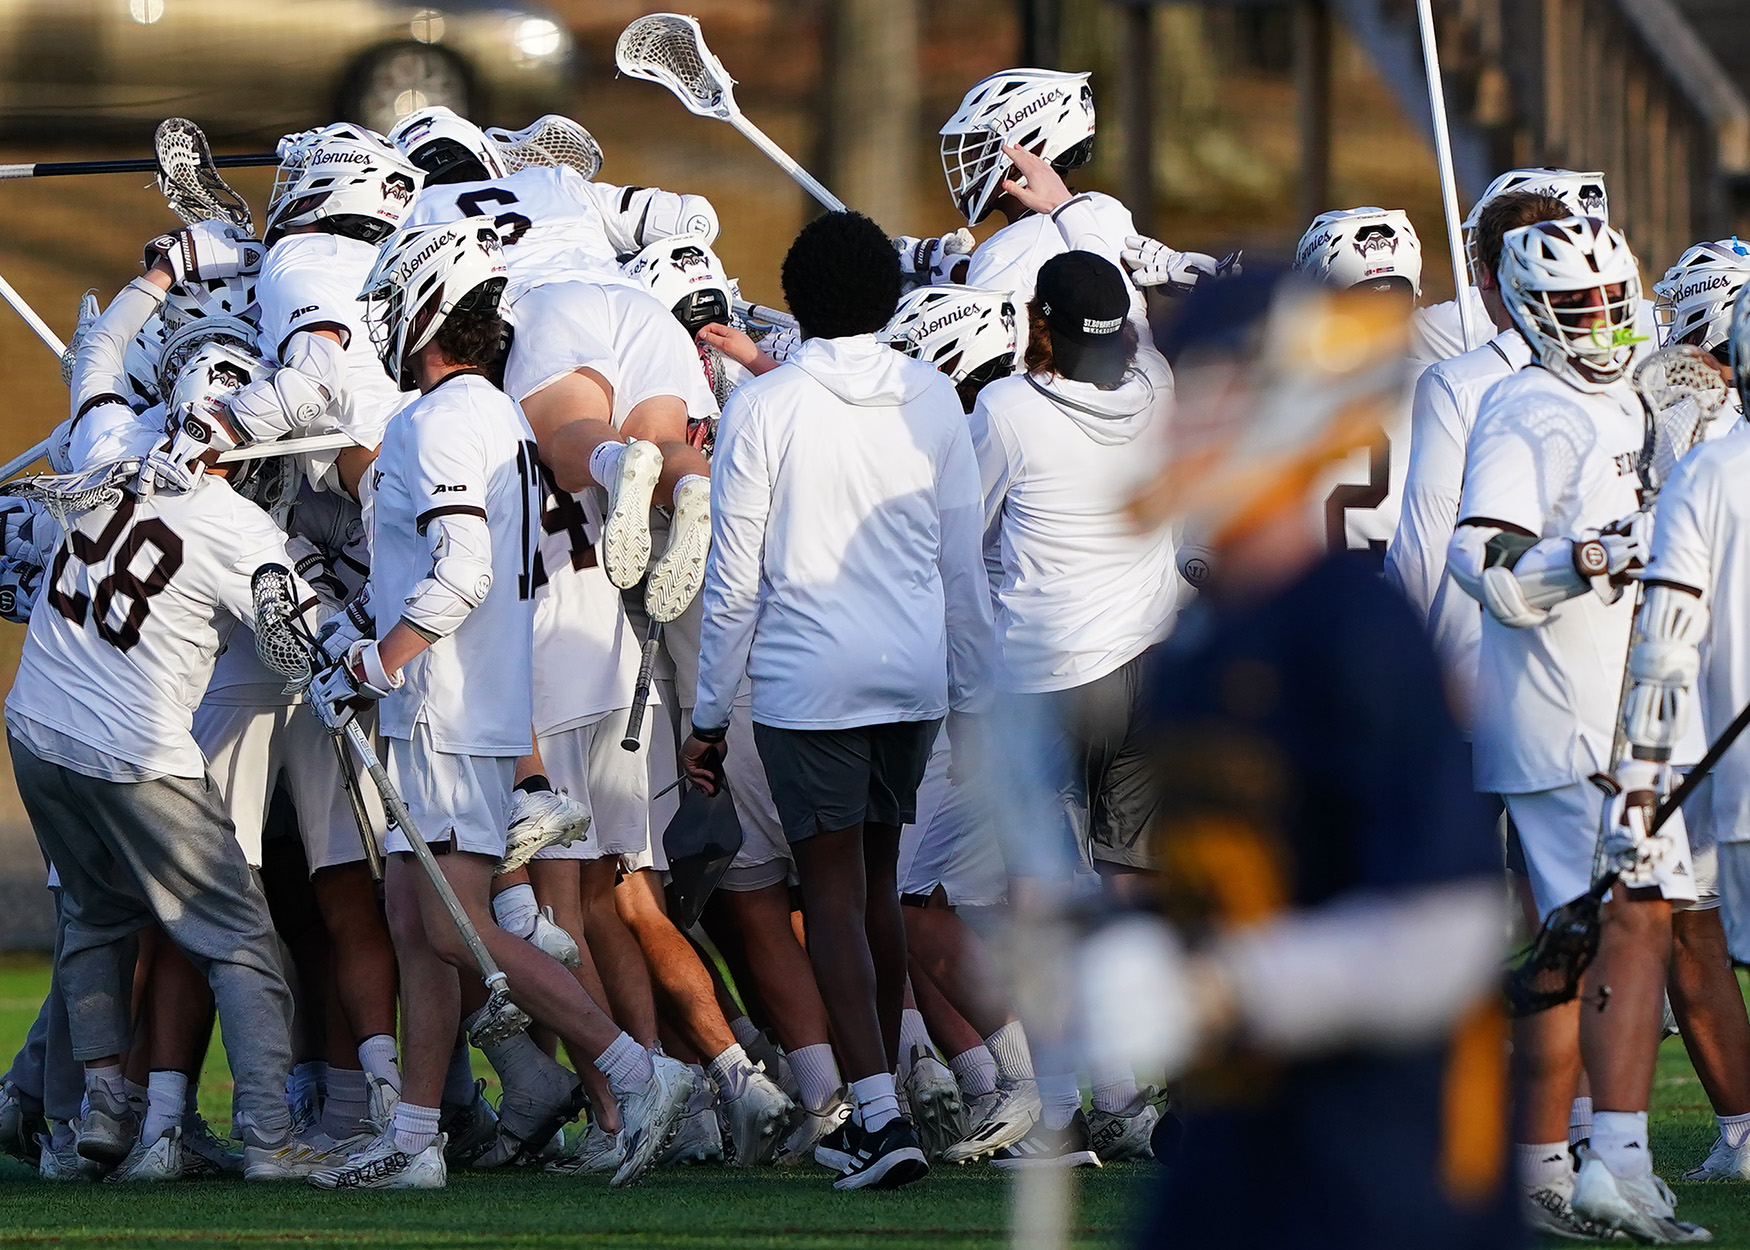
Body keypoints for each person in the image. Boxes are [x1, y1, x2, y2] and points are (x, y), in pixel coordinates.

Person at [1087, 267, 1515, 1250]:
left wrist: (1221, 988)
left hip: (1381, 1161)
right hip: (1238, 1136)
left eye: (1213, 388)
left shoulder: (1354, 628)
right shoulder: (1207, 640)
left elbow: (1446, 933)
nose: (1181, 422)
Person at [304, 217, 693, 1191]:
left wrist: (375, 663)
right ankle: (417, 1134)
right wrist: (364, 643)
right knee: (413, 917)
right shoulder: (489, 415)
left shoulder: (447, 418)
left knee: (454, 927)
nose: (386, 320)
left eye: (397, 302)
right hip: (455, 702)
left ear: (431, 307)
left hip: (450, 706)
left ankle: (636, 1072)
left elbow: (462, 570)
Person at [3, 223, 327, 1183]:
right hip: (137, 751)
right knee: (242, 941)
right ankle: (272, 1138)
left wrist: (162, 272)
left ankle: (101, 1111)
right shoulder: (237, 526)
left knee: (96, 920)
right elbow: (293, 648)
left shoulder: (105, 443)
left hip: (35, 728)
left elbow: (97, 350)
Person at [680, 210, 994, 1190]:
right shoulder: (933, 394)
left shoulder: (766, 408)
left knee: (828, 893)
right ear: (890, 296)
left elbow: (731, 581)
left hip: (807, 676)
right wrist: (978, 692)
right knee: (876, 886)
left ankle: (877, 1114)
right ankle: (890, 1087)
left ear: (799, 299)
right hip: (913, 677)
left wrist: (705, 711)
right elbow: (961, 568)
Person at [1447, 216, 1709, 1242]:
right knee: (1612, 925)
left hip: (1633, 708)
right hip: (1559, 714)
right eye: (1579, 306)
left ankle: (1575, 1157)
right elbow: (1488, 565)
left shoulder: (1639, 393)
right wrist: (1593, 555)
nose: (1603, 322)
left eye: (1611, 299)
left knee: (1616, 928)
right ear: (1528, 310)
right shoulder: (1524, 405)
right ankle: (1592, 1159)